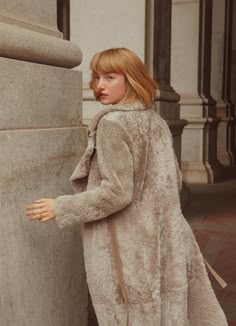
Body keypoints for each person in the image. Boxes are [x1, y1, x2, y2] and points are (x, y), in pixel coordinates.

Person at [26, 48, 228, 325]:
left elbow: (116, 193)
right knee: (164, 313)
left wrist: (61, 207)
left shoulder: (113, 124)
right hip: (164, 239)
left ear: (131, 78)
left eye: (110, 77)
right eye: (96, 77)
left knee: (129, 316)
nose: (99, 86)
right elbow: (174, 180)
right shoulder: (155, 121)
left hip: (125, 246)